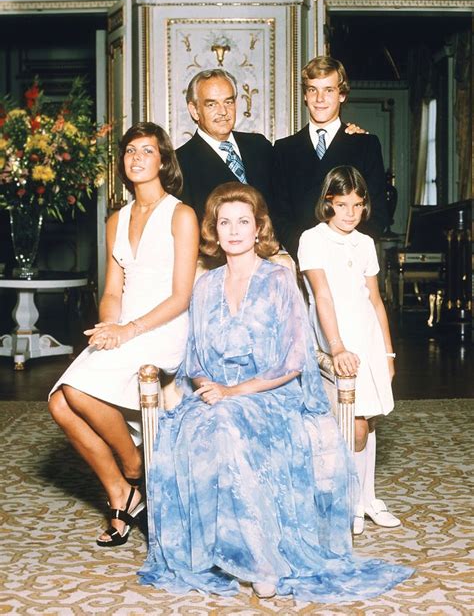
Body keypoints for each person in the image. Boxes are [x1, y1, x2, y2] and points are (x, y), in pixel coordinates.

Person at [139, 181, 412, 601]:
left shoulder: (279, 278)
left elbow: (291, 362)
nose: (233, 231)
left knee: (227, 423)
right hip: (218, 395)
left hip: (274, 396)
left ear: (258, 228)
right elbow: (194, 358)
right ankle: (225, 551)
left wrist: (235, 392)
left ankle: (260, 560)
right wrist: (208, 386)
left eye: (243, 222)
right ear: (213, 229)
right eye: (224, 222)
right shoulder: (205, 285)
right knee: (197, 425)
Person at [48, 122, 199, 547]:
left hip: (162, 327)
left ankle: (134, 466)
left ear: (164, 161)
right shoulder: (116, 220)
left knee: (77, 392)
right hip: (124, 329)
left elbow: (181, 296)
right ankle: (124, 492)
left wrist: (129, 329)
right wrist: (106, 328)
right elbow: (112, 289)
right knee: (59, 402)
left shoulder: (181, 214)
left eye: (147, 151)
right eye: (130, 151)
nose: (136, 158)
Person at [298, 166, 400, 536]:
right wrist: (337, 347)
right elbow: (322, 295)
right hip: (337, 341)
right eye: (342, 205)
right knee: (353, 428)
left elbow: (375, 300)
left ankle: (366, 500)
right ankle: (351, 500)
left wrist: (387, 354)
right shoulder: (313, 239)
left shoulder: (365, 243)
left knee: (368, 421)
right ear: (328, 203)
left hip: (369, 340)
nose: (350, 213)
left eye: (357, 205)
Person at [273, 56, 388, 260]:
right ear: (305, 96)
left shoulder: (365, 145)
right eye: (312, 90)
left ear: (342, 94)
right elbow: (280, 215)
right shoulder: (284, 149)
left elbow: (378, 213)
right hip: (303, 262)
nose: (319, 99)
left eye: (328, 90)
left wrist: (347, 253)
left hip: (351, 262)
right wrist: (306, 254)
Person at [176, 69, 275, 222]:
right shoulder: (179, 163)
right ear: (194, 111)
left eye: (228, 102)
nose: (223, 111)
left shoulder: (260, 146)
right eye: (211, 104)